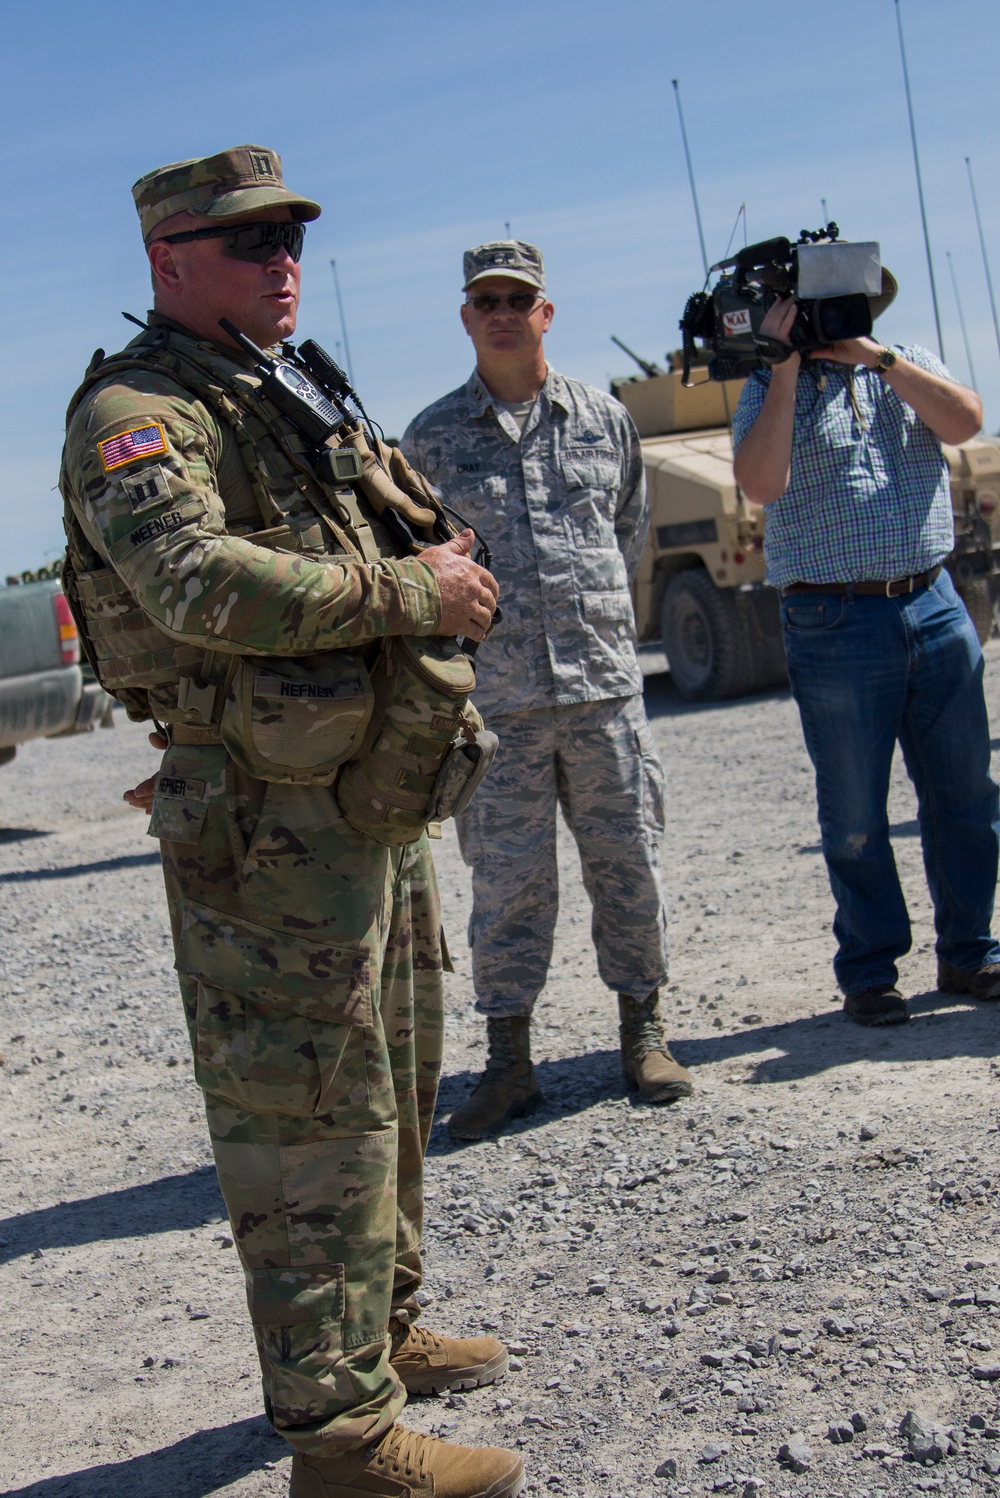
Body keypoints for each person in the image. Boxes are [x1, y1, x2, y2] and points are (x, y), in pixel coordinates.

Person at [60, 145, 525, 1498]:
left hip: (357, 800)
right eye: (249, 242)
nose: (282, 263)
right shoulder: (138, 412)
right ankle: (341, 1442)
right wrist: (407, 596)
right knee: (305, 1112)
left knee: (386, 1085)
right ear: (168, 262)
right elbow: (195, 583)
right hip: (263, 831)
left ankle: (374, 1343)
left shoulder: (279, 385)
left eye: (290, 239)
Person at [401, 240, 693, 1140]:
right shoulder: (430, 440)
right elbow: (415, 563)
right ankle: (509, 1064)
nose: (501, 311)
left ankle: (643, 1032)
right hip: (499, 706)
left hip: (603, 691)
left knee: (628, 864)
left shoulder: (604, 422)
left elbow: (627, 529)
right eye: (484, 298)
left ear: (545, 313)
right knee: (508, 885)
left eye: (517, 298)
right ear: (465, 317)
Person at [732, 266, 1000, 1026]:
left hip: (933, 602)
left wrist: (876, 357)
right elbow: (759, 482)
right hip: (833, 620)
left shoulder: (903, 363)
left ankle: (971, 951)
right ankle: (870, 970)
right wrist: (785, 375)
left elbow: (965, 422)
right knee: (854, 809)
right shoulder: (764, 387)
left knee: (966, 796)